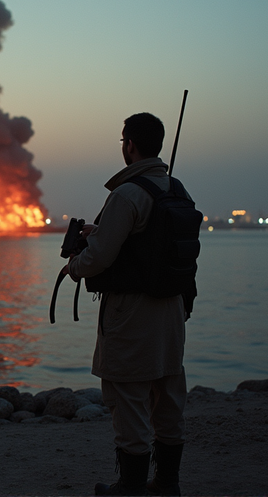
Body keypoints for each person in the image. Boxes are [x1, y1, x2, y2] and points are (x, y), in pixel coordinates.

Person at [62, 112, 192, 496]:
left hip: (132, 314)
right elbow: (149, 242)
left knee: (129, 397)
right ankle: (167, 484)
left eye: (123, 141)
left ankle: (131, 487)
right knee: (168, 397)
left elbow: (98, 259)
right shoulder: (177, 190)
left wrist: (74, 266)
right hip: (171, 311)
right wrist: (104, 232)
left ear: (130, 144)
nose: (123, 147)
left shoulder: (127, 193)